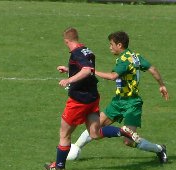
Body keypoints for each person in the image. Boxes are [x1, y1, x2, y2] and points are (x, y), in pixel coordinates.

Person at [71, 31, 169, 163]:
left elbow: (112, 77)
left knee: (129, 141)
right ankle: (75, 148)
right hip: (118, 101)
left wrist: (92, 71)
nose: (109, 47)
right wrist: (161, 85)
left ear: (119, 44)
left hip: (132, 104)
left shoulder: (124, 61)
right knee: (95, 126)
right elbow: (152, 68)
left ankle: (159, 149)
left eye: (111, 44)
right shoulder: (135, 56)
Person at [44, 27, 134, 170]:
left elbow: (86, 70)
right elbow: (88, 69)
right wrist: (69, 70)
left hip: (78, 101)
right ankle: (121, 131)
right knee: (95, 133)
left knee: (64, 133)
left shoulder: (76, 53)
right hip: (92, 98)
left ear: (66, 41)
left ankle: (59, 166)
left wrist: (69, 80)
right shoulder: (87, 50)